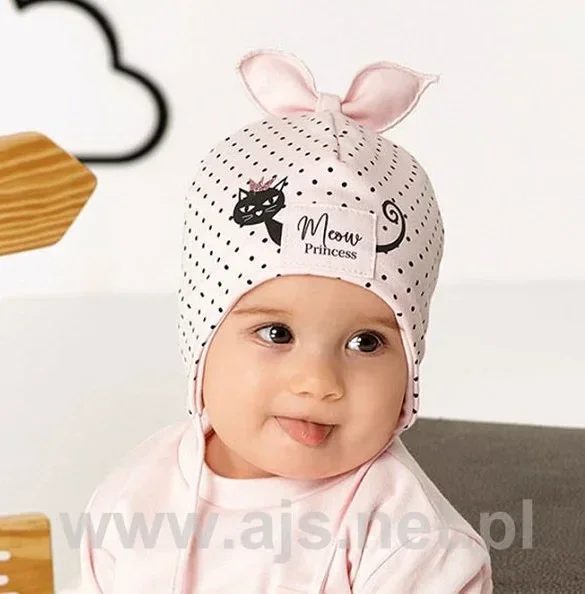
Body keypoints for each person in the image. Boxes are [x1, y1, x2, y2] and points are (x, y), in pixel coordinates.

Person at [66, 49, 493, 593]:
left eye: (365, 342)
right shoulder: (135, 496)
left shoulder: (413, 547)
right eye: (277, 334)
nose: (317, 382)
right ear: (202, 338)